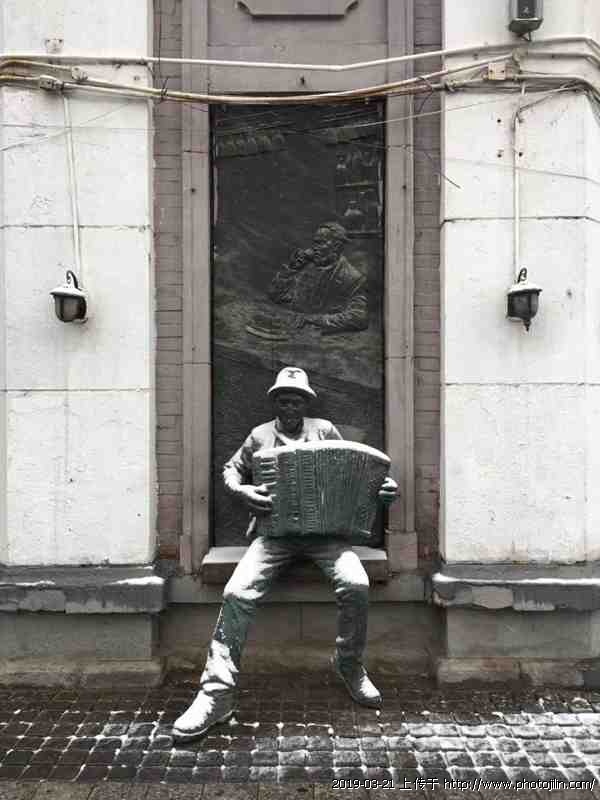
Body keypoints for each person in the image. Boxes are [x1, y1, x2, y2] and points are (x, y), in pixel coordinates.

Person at [172, 366, 398, 743]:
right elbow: (231, 470)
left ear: (306, 403)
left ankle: (349, 665)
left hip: (326, 536)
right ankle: (217, 694)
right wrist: (242, 491)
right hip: (274, 536)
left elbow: (357, 473)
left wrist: (382, 488)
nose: (290, 406)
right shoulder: (259, 435)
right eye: (283, 400)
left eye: (296, 400)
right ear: (274, 402)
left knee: (356, 583)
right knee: (236, 592)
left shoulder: (324, 430)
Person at [268, 222, 368, 333]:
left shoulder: (352, 277)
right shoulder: (304, 264)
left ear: (336, 246)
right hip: (289, 327)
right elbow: (275, 295)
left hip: (320, 336)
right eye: (314, 243)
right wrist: (291, 269)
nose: (314, 248)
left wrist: (315, 319)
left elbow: (359, 317)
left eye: (320, 243)